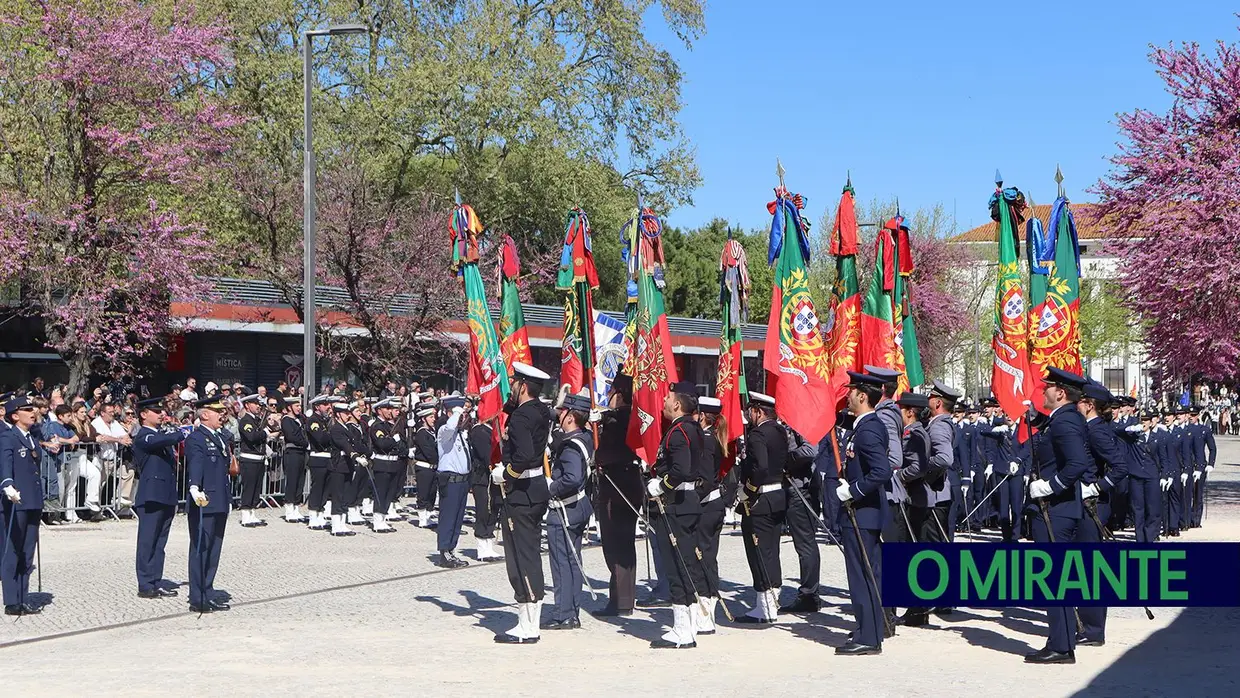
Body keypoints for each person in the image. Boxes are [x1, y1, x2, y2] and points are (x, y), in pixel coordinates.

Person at [1024, 366, 1093, 664]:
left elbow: (1076, 463)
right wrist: (1038, 421)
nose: (1044, 391)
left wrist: (1049, 487)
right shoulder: (1061, 419)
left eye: (1048, 388)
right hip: (1057, 508)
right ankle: (1059, 640)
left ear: (1060, 393)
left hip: (1056, 509)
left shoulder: (1065, 422)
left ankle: (1062, 646)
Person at [493, 362, 553, 645]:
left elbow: (525, 455)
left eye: (515, 382)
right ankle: (530, 620)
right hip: (536, 488)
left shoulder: (521, 418)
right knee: (529, 554)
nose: (512, 386)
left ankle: (528, 625)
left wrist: (505, 474)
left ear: (523, 386)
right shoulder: (541, 410)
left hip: (521, 491)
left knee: (521, 557)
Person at [645, 380, 707, 648]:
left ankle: (683, 630)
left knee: (676, 566)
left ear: (678, 404)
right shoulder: (691, 429)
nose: (665, 401)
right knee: (685, 564)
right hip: (687, 502)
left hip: (676, 504)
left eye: (669, 397)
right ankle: (687, 625)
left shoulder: (679, 431)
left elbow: (680, 470)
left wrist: (661, 485)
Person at [835, 371, 892, 656]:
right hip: (864, 512)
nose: (846, 396)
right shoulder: (865, 425)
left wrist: (853, 490)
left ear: (862, 396)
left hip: (862, 512)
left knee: (862, 576)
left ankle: (869, 638)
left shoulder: (868, 429)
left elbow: (881, 471)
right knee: (867, 574)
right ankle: (868, 629)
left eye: (851, 392)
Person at [592, 373, 643, 618]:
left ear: (619, 395)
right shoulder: (633, 417)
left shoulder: (616, 420)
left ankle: (620, 601)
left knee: (615, 543)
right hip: (631, 481)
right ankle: (624, 598)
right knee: (626, 543)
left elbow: (607, 453)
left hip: (616, 483)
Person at [542, 391, 595, 631]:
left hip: (565, 507)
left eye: (563, 412)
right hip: (578, 506)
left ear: (571, 417)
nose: (559, 415)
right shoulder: (584, 435)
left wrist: (551, 486)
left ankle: (564, 614)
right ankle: (571, 609)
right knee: (573, 561)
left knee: (562, 562)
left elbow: (572, 477)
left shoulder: (572, 446)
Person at [735, 391, 786, 627]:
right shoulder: (779, 431)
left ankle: (765, 607)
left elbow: (761, 467)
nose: (748, 415)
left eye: (751, 411)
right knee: (771, 550)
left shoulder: (758, 434)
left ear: (758, 412)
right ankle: (772, 600)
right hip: (777, 497)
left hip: (761, 498)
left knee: (758, 553)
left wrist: (749, 489)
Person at [132, 397, 187, 599]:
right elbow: (161, 440)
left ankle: (155, 580)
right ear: (144, 415)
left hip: (165, 494)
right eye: (156, 411)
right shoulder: (144, 436)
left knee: (160, 542)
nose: (160, 414)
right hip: (151, 495)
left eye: (161, 411)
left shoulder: (160, 436)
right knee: (148, 541)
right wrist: (180, 433)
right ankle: (145, 583)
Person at [894, 391, 940, 627]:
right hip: (917, 498)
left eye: (901, 410)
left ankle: (918, 607)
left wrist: (897, 476)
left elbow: (917, 468)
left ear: (910, 412)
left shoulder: (914, 433)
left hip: (914, 499)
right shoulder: (913, 432)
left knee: (912, 555)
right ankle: (917, 609)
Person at [184, 397, 233, 614]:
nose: (222, 415)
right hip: (204, 500)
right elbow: (195, 463)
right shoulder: (196, 438)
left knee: (214, 549)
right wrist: (194, 486)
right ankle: (198, 597)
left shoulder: (219, 436)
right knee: (201, 548)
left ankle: (208, 589)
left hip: (220, 499)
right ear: (204, 415)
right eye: (217, 412)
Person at [0, 395, 44, 615]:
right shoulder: (8, 437)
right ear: (15, 415)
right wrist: (7, 484)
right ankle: (11, 600)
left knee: (27, 552)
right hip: (15, 500)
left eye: (33, 409)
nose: (32, 412)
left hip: (33, 501)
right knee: (12, 551)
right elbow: (5, 463)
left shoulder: (32, 438)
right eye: (27, 410)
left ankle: (23, 597)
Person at [694, 395, 728, 633]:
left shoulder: (706, 440)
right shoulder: (712, 437)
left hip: (706, 505)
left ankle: (705, 613)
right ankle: (706, 611)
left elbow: (704, 480)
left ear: (703, 416)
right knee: (708, 556)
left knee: (702, 557)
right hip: (713, 505)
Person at [780, 419, 821, 615]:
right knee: (804, 544)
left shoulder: (801, 419)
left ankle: (809, 595)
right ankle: (809, 593)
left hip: (801, 488)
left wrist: (785, 458)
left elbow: (811, 450)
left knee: (806, 544)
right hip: (793, 487)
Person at [434, 395, 473, 568]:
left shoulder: (461, 433)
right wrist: (456, 412)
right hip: (450, 480)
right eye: (459, 413)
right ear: (450, 413)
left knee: (458, 517)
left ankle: (451, 549)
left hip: (462, 481)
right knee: (448, 516)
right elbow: (450, 425)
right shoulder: (444, 430)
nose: (463, 416)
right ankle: (444, 552)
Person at [467, 408, 502, 562]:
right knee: (484, 511)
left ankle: (489, 544)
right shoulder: (479, 431)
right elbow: (486, 455)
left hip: (493, 478)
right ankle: (482, 547)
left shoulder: (493, 431)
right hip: (482, 479)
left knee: (493, 509)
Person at [235, 395, 269, 528]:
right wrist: (265, 432)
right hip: (249, 459)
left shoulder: (257, 420)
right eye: (255, 404)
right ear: (247, 405)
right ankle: (245, 515)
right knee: (249, 487)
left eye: (258, 404)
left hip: (259, 459)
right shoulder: (246, 420)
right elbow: (252, 437)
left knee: (256, 488)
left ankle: (252, 513)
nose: (258, 406)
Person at [327, 401, 360, 537]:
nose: (348, 415)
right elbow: (344, 444)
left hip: (347, 465)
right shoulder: (336, 429)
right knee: (337, 495)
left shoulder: (346, 428)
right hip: (338, 465)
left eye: (348, 413)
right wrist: (354, 455)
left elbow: (354, 443)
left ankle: (342, 523)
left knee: (345, 494)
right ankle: (336, 525)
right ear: (338, 414)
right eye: (345, 413)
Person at [304, 395, 335, 530]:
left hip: (327, 458)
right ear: (317, 406)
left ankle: (320, 513)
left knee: (326, 489)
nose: (328, 407)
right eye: (325, 405)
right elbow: (321, 438)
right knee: (317, 488)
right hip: (318, 458)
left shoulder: (325, 421)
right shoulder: (313, 421)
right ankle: (313, 515)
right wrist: (332, 435)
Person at [411, 400, 440, 528]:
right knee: (424, 492)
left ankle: (428, 516)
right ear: (424, 419)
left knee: (432, 492)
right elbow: (429, 452)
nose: (433, 419)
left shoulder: (432, 432)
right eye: (430, 417)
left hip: (433, 468)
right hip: (424, 467)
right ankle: (422, 518)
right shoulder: (422, 433)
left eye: (434, 416)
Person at [279, 397, 308, 523]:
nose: (299, 408)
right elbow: (291, 436)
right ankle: (289, 509)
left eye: (300, 406)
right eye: (296, 406)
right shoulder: (286, 420)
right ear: (290, 407)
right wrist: (305, 442)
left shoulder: (300, 419)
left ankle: (296, 507)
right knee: (292, 480)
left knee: (300, 480)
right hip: (292, 452)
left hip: (301, 452)